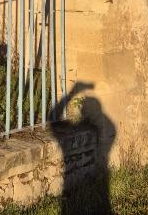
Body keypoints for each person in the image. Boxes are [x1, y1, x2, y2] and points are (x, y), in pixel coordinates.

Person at [50, 81, 115, 214]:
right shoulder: (109, 125)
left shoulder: (102, 126)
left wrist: (70, 94)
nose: (82, 109)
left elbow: (51, 117)